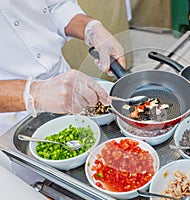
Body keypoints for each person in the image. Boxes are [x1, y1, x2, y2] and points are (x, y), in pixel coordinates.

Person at [0, 0, 125, 187]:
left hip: (64, 82)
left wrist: (91, 29)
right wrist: (34, 93)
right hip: (10, 121)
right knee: (38, 187)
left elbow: (56, 5)